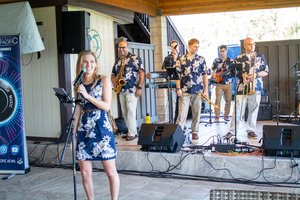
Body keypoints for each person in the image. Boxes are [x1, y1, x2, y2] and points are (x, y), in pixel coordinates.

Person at [73, 50, 120, 200]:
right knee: (85, 173)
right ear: (80, 64)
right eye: (85, 62)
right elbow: (78, 111)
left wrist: (87, 96)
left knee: (111, 172)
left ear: (96, 64)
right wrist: (73, 136)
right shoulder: (78, 85)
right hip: (83, 130)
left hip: (101, 128)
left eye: (92, 61)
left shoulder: (104, 80)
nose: (89, 65)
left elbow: (106, 106)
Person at [225, 37, 269, 140]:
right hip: (242, 87)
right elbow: (233, 73)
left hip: (256, 87)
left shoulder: (260, 57)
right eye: (249, 44)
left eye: (253, 44)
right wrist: (241, 75)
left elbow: (266, 71)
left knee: (253, 109)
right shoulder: (239, 58)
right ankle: (232, 131)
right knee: (238, 110)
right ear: (244, 46)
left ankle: (250, 130)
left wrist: (256, 75)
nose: (252, 46)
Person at [175, 38, 208, 140]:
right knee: (182, 113)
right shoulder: (181, 59)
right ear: (189, 46)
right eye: (195, 46)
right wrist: (178, 88)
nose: (197, 48)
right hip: (184, 90)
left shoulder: (201, 59)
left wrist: (206, 90)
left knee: (196, 112)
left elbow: (205, 75)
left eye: (198, 46)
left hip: (198, 90)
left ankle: (195, 131)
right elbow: (177, 75)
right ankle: (178, 132)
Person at [111, 40, 144, 141]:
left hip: (131, 89)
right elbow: (112, 74)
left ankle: (132, 133)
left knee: (131, 111)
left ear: (127, 47)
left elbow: (142, 73)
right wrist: (115, 82)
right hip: (121, 90)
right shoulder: (118, 61)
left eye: (124, 47)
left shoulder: (135, 58)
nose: (122, 49)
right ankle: (130, 130)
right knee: (125, 112)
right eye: (120, 48)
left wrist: (139, 87)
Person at [211, 45, 233, 122]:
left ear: (226, 51)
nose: (222, 53)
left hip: (228, 83)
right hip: (218, 83)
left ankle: (226, 115)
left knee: (228, 100)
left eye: (223, 51)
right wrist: (214, 75)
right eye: (220, 51)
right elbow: (213, 70)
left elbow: (233, 71)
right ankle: (217, 116)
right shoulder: (216, 60)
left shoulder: (231, 61)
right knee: (218, 100)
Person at [162, 40, 181, 122]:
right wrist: (174, 62)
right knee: (173, 104)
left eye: (176, 46)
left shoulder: (183, 57)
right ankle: (172, 122)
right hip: (172, 83)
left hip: (181, 83)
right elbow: (164, 68)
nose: (174, 48)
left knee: (180, 105)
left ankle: (178, 123)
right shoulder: (168, 58)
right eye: (172, 47)